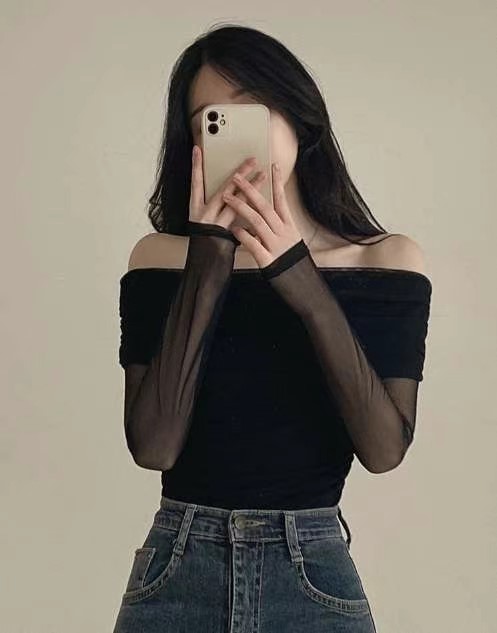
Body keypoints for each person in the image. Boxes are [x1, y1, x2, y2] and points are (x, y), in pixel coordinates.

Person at [112, 24, 432, 633]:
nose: (233, 130)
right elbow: (154, 447)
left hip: (313, 574)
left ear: (297, 115)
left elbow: (384, 449)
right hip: (176, 570)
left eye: (250, 107)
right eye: (210, 119)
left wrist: (296, 274)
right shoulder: (159, 260)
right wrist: (210, 258)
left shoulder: (384, 262)